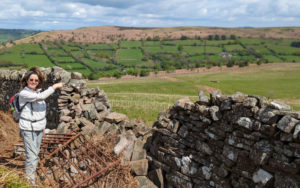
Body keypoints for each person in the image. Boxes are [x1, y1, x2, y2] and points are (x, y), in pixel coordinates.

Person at [19, 67, 64, 186]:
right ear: (26, 80)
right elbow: (41, 98)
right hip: (27, 128)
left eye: (36, 80)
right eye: (31, 80)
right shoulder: (24, 94)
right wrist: (54, 87)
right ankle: (29, 182)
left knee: (35, 154)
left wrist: (43, 128)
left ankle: (30, 177)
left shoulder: (38, 92)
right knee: (32, 156)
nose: (33, 82)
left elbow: (41, 113)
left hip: (39, 128)